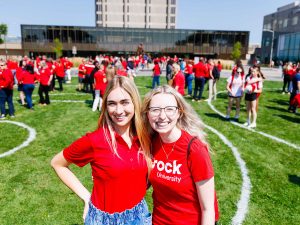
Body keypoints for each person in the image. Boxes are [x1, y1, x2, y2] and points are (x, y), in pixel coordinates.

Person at [51, 76, 152, 225]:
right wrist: (86, 197)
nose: (118, 111)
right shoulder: (95, 140)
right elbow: (57, 163)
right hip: (104, 220)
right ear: (105, 106)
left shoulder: (145, 136)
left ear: (135, 103)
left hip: (140, 215)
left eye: (124, 102)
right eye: (112, 104)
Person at [141, 85, 219, 225]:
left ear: (179, 112)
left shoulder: (194, 149)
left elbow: (208, 208)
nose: (162, 116)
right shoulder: (150, 143)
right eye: (155, 110)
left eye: (169, 109)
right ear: (147, 113)